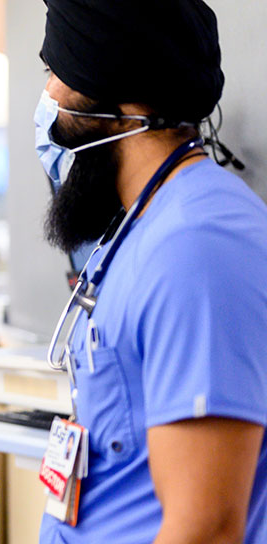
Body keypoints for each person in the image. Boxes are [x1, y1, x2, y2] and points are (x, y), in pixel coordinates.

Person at [35, 1, 267, 542]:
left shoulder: (198, 244)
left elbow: (206, 527)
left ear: (115, 92)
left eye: (54, 72)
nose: (48, 98)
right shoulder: (141, 229)